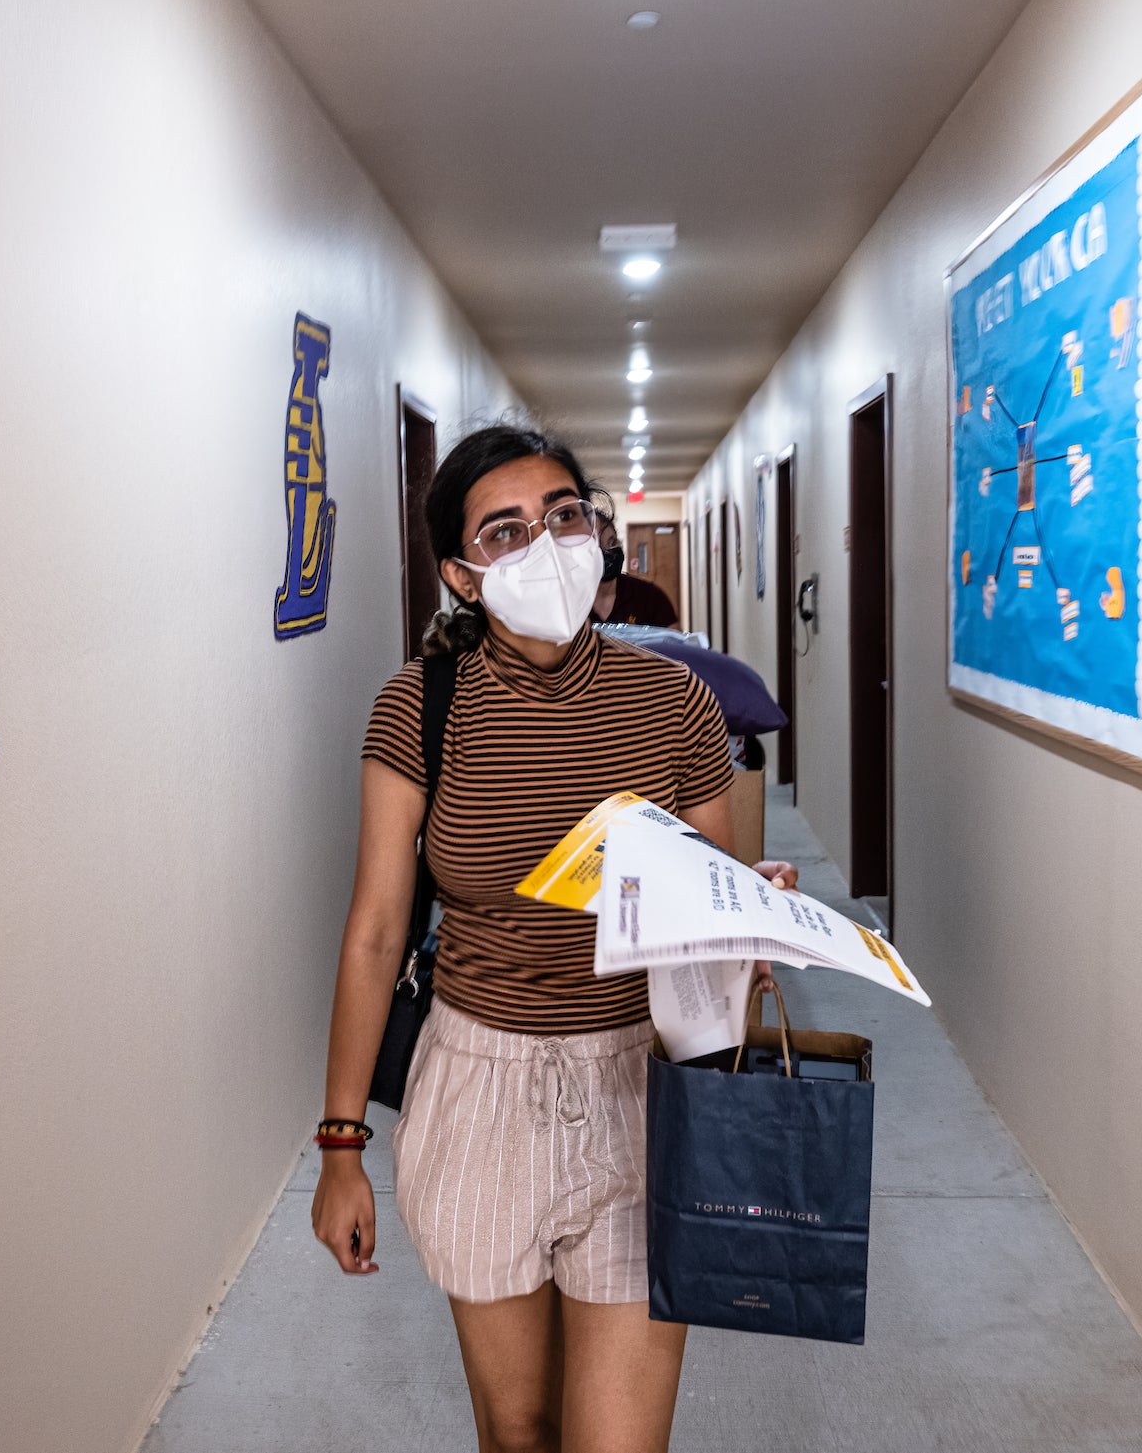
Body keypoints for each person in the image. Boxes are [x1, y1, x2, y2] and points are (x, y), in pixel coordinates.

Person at [311, 424, 796, 1453]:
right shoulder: (420, 708)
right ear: (459, 572)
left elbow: (715, 892)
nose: (548, 541)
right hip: (479, 1086)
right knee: (518, 1428)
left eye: (565, 514)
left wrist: (757, 909)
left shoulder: (674, 700)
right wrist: (341, 1145)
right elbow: (376, 930)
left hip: (642, 1086)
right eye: (506, 529)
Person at [589, 502, 680, 628]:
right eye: (596, 546)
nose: (608, 552)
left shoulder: (649, 596)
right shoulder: (568, 604)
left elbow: (675, 643)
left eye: (612, 542)